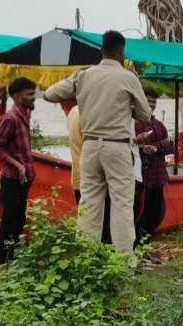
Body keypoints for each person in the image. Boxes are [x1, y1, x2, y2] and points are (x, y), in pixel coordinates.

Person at [43, 30, 151, 254]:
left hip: (90, 147)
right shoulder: (128, 77)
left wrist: (83, 98)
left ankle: (87, 261)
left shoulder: (84, 75)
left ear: (101, 51)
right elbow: (145, 114)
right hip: (118, 146)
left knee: (89, 204)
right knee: (122, 204)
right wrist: (124, 107)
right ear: (121, 52)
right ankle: (123, 263)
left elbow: (50, 94)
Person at [0, 77, 38, 265]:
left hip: (24, 179)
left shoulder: (25, 114)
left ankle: (13, 260)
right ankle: (2, 262)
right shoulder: (10, 118)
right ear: (17, 97)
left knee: (19, 221)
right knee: (10, 221)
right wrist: (18, 165)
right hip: (12, 179)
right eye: (30, 94)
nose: (34, 97)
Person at [133, 87, 174, 245]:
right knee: (138, 215)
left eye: (154, 101)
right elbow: (130, 145)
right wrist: (144, 148)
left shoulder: (159, 125)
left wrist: (155, 147)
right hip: (140, 179)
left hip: (157, 177)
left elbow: (170, 145)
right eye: (148, 101)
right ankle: (136, 247)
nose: (151, 104)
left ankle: (145, 247)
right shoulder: (134, 124)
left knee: (155, 215)